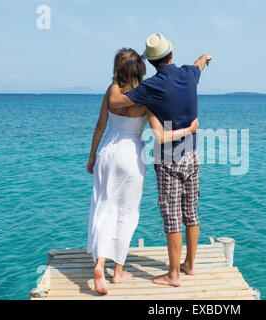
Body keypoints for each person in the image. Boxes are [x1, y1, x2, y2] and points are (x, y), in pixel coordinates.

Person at [86, 48, 198, 295]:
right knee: (127, 211)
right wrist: (188, 131)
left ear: (119, 68)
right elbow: (160, 136)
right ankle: (117, 272)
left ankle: (99, 265)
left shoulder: (112, 91)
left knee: (104, 206)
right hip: (131, 155)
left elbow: (100, 125)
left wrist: (92, 155)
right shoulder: (147, 96)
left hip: (107, 151)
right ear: (141, 68)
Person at [108, 33, 212, 286]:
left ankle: (173, 274)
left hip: (168, 159)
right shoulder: (189, 74)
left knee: (172, 216)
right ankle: (189, 265)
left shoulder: (151, 87)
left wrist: (118, 82)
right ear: (172, 54)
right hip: (192, 154)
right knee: (191, 212)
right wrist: (205, 58)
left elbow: (115, 102)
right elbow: (200, 63)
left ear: (152, 63)